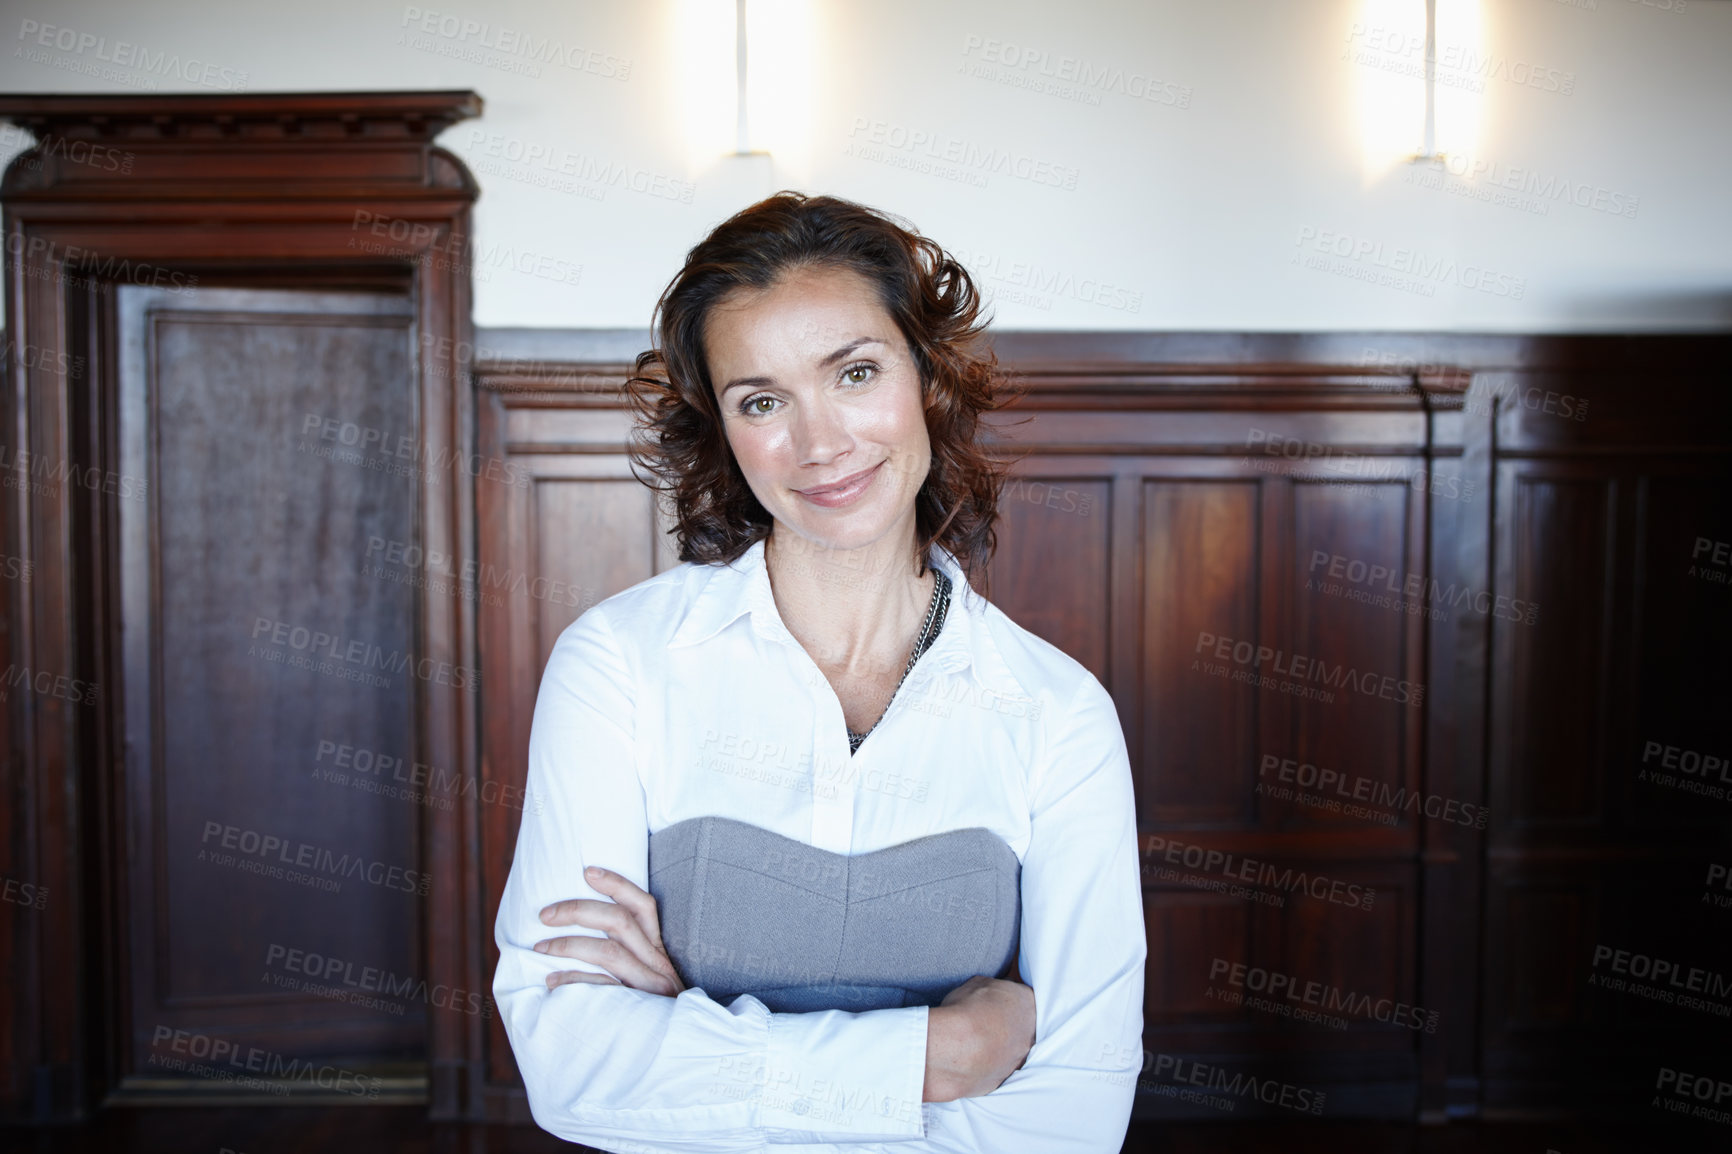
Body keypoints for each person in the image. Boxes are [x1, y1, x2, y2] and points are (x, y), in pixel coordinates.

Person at [492, 191, 1145, 1153]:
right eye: (762, 400)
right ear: (721, 427)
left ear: (927, 377)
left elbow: (1078, 1114)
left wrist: (691, 1036)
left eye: (856, 372)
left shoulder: (1057, 713)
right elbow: (572, 1066)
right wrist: (943, 1054)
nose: (821, 442)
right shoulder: (620, 664)